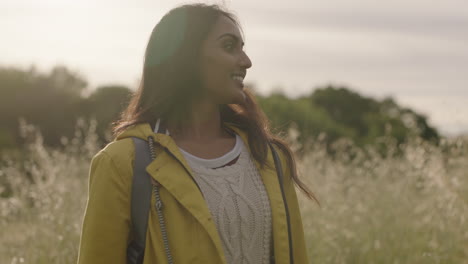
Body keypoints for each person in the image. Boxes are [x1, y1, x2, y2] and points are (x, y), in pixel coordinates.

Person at [77, 3, 319, 264]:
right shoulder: (123, 163)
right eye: (229, 46)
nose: (246, 62)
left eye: (243, 49)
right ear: (185, 57)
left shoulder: (269, 157)